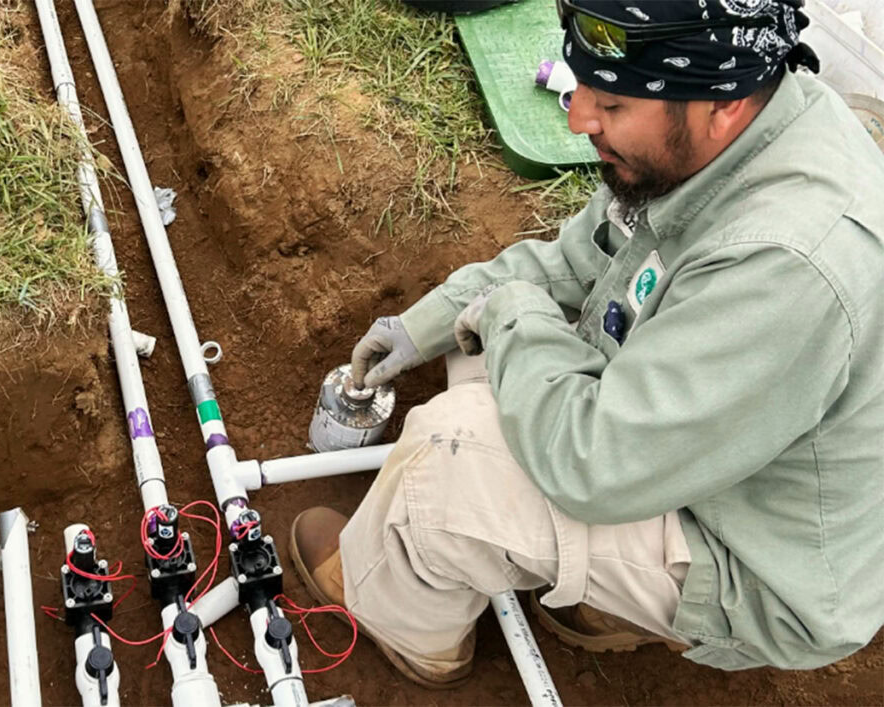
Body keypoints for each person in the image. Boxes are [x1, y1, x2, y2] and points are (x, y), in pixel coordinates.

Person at [289, 0, 884, 688]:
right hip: (723, 461)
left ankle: (401, 613)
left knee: (445, 453)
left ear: (718, 104)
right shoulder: (737, 134)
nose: (577, 120)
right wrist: (423, 324)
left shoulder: (789, 262)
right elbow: (581, 258)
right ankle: (604, 603)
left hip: (761, 563)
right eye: (582, 88)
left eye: (610, 103)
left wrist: (509, 312)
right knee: (479, 343)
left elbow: (592, 462)